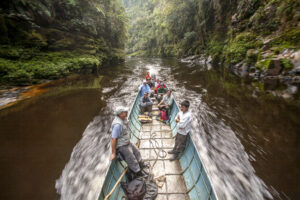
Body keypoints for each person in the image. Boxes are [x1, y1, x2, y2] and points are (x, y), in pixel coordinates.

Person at [110, 107, 147, 176]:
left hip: (127, 141)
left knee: (137, 152)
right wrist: (113, 153)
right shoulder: (117, 125)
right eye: (125, 112)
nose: (127, 113)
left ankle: (141, 164)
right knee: (131, 159)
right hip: (122, 145)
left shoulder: (123, 119)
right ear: (120, 114)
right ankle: (138, 173)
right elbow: (113, 139)